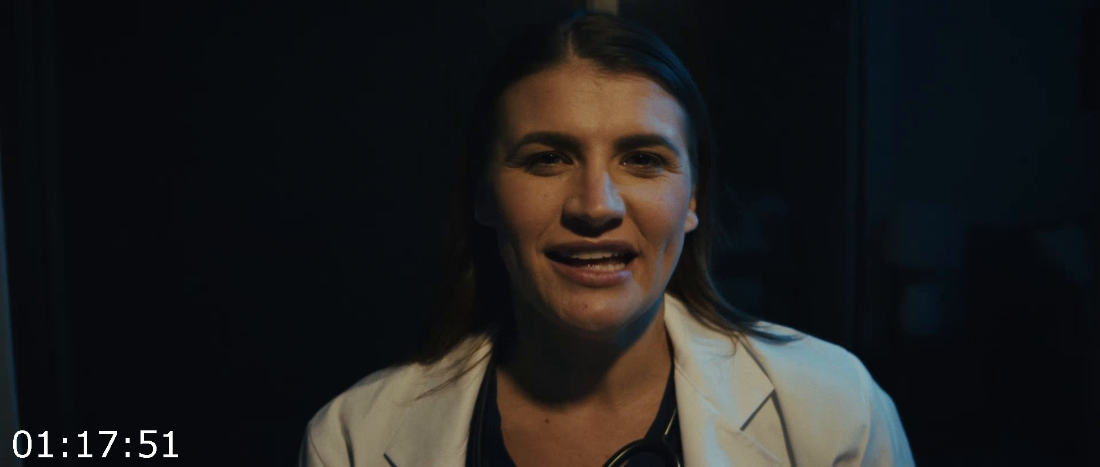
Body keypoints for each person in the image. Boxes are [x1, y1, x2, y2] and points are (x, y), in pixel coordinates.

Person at [300, 10, 913, 467]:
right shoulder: (353, 440)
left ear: (692, 199)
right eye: (546, 159)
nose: (596, 205)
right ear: (484, 196)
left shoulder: (838, 412)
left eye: (643, 159)